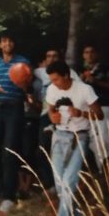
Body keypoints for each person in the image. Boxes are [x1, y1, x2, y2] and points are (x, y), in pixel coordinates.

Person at [45, 60, 102, 216]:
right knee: (60, 185)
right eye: (51, 80)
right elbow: (50, 109)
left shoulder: (84, 89)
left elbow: (99, 114)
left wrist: (81, 113)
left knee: (69, 181)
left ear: (66, 75)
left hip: (79, 137)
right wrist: (52, 117)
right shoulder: (52, 89)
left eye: (57, 79)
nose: (54, 83)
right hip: (58, 137)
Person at [0, 33, 31, 213]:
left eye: (10, 40)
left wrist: (23, 85)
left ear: (14, 43)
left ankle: (9, 196)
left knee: (10, 152)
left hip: (15, 108)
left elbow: (29, 88)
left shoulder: (23, 62)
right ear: (0, 45)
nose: (7, 43)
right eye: (4, 41)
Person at [32, 49, 79, 193]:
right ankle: (50, 184)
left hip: (64, 115)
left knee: (63, 150)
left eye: (55, 56)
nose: (51, 58)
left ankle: (66, 184)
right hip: (46, 115)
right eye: (48, 56)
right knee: (43, 149)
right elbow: (26, 71)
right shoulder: (40, 72)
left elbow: (79, 91)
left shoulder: (70, 73)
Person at [80, 45, 109, 170]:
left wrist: (95, 81)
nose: (89, 55)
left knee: (104, 139)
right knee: (93, 141)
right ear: (83, 55)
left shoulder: (106, 68)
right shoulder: (82, 71)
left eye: (92, 52)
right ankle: (103, 171)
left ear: (97, 54)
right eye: (86, 52)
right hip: (88, 110)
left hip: (104, 106)